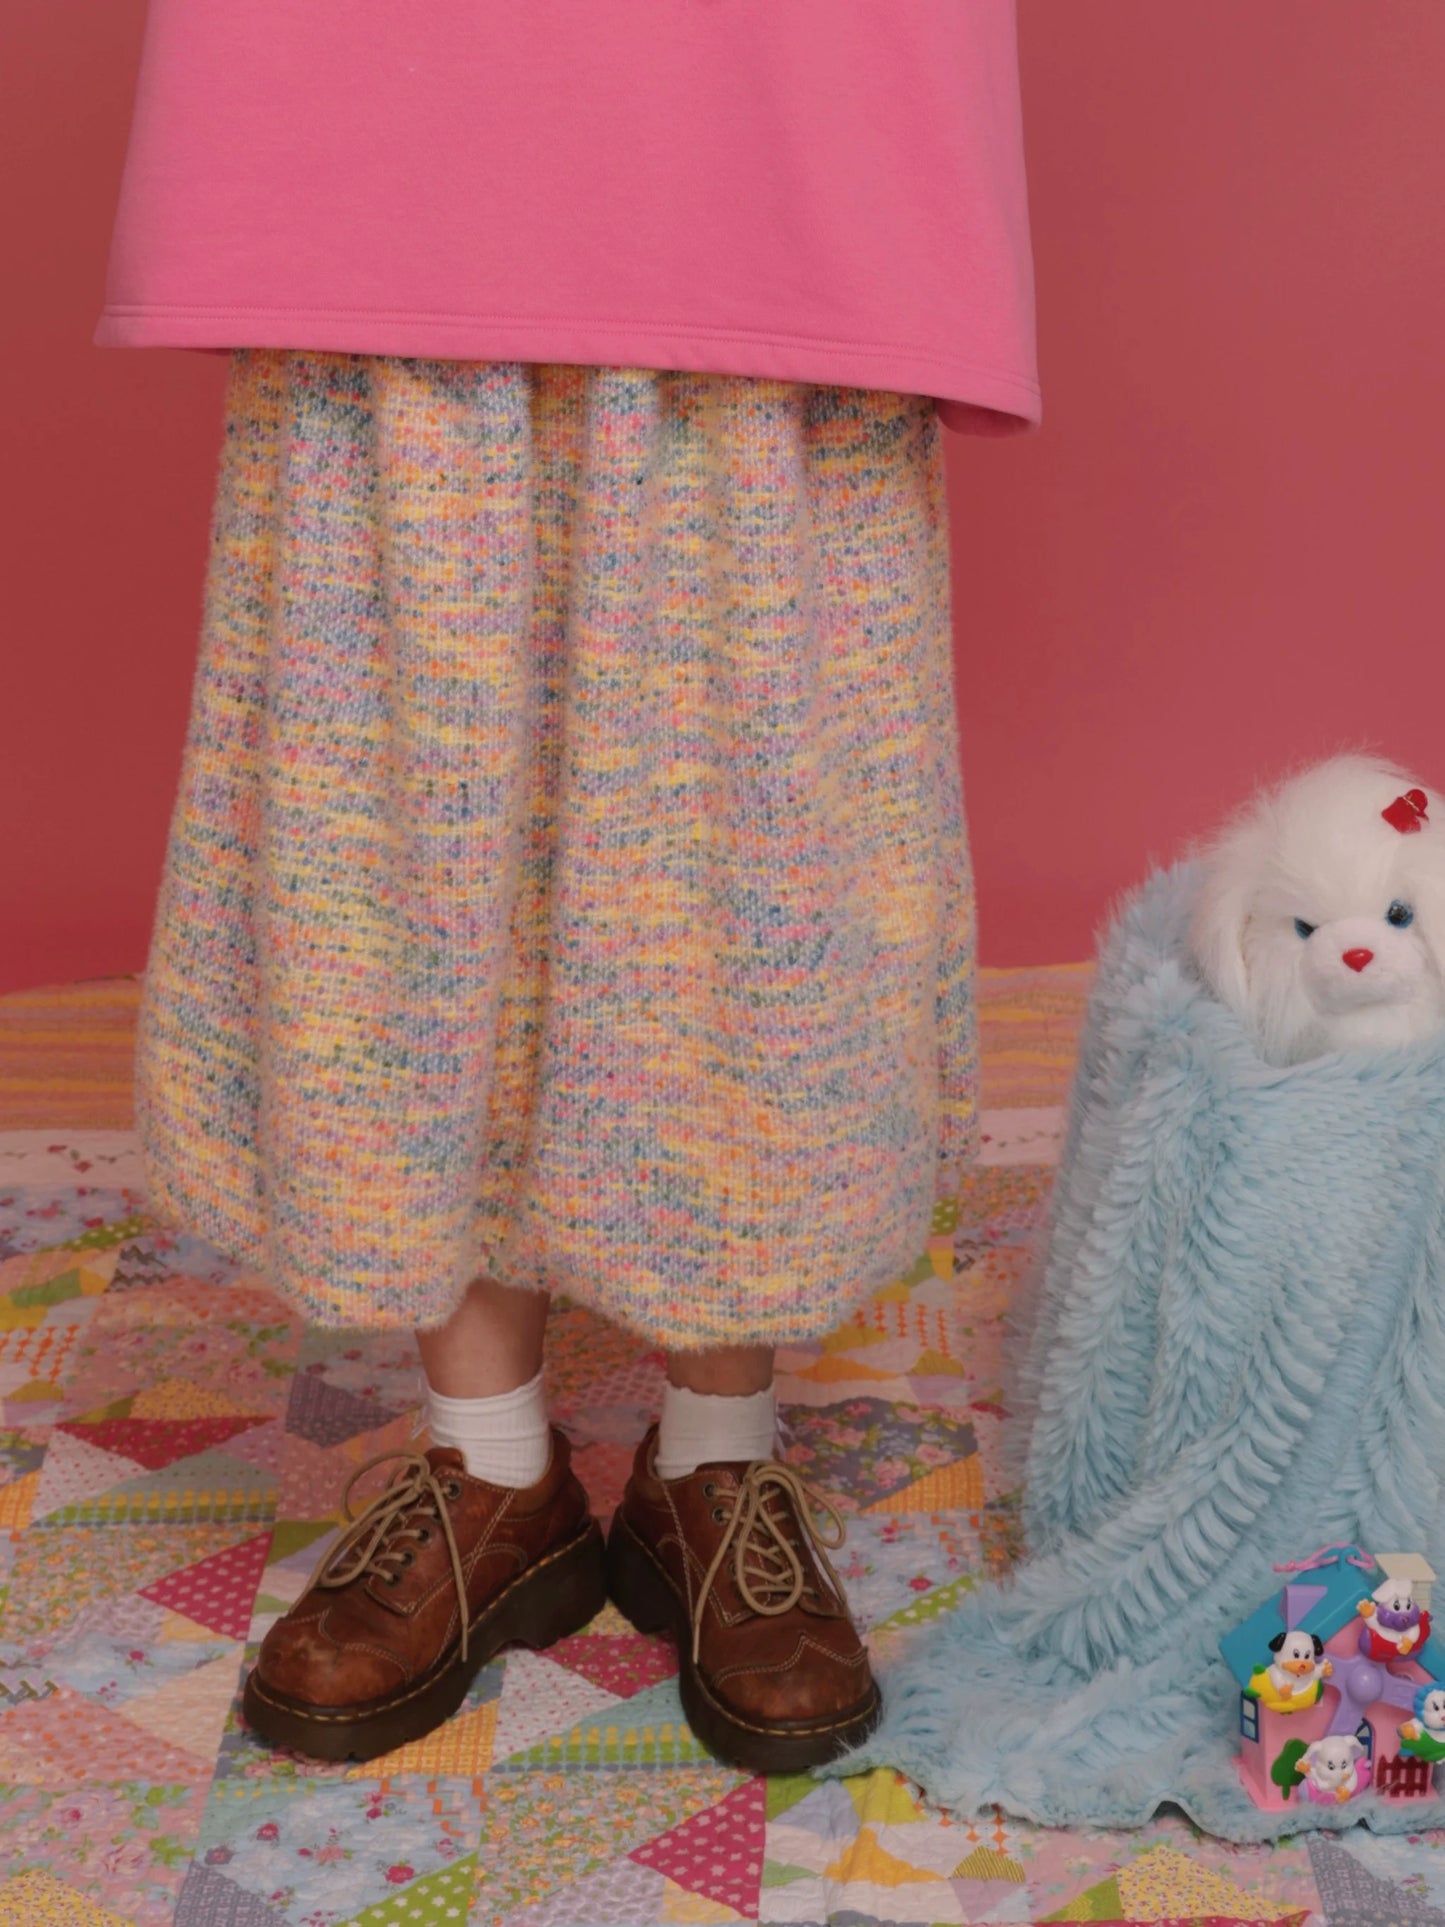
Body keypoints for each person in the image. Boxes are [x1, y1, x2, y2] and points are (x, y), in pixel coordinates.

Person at [94, 0, 1039, 1773]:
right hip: (391, 96)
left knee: (749, 824)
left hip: (782, 100)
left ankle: (715, 1456)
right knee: (396, 802)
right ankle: (494, 1465)